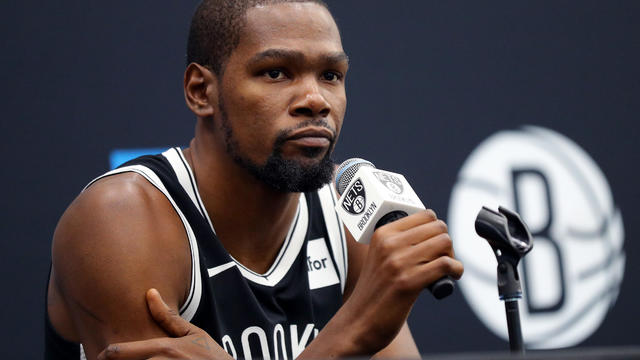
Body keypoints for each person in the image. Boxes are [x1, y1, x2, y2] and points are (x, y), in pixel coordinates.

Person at [45, 0, 464, 359]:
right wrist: (353, 333)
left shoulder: (347, 210)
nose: (315, 100)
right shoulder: (121, 221)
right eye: (276, 72)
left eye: (331, 75)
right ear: (200, 91)